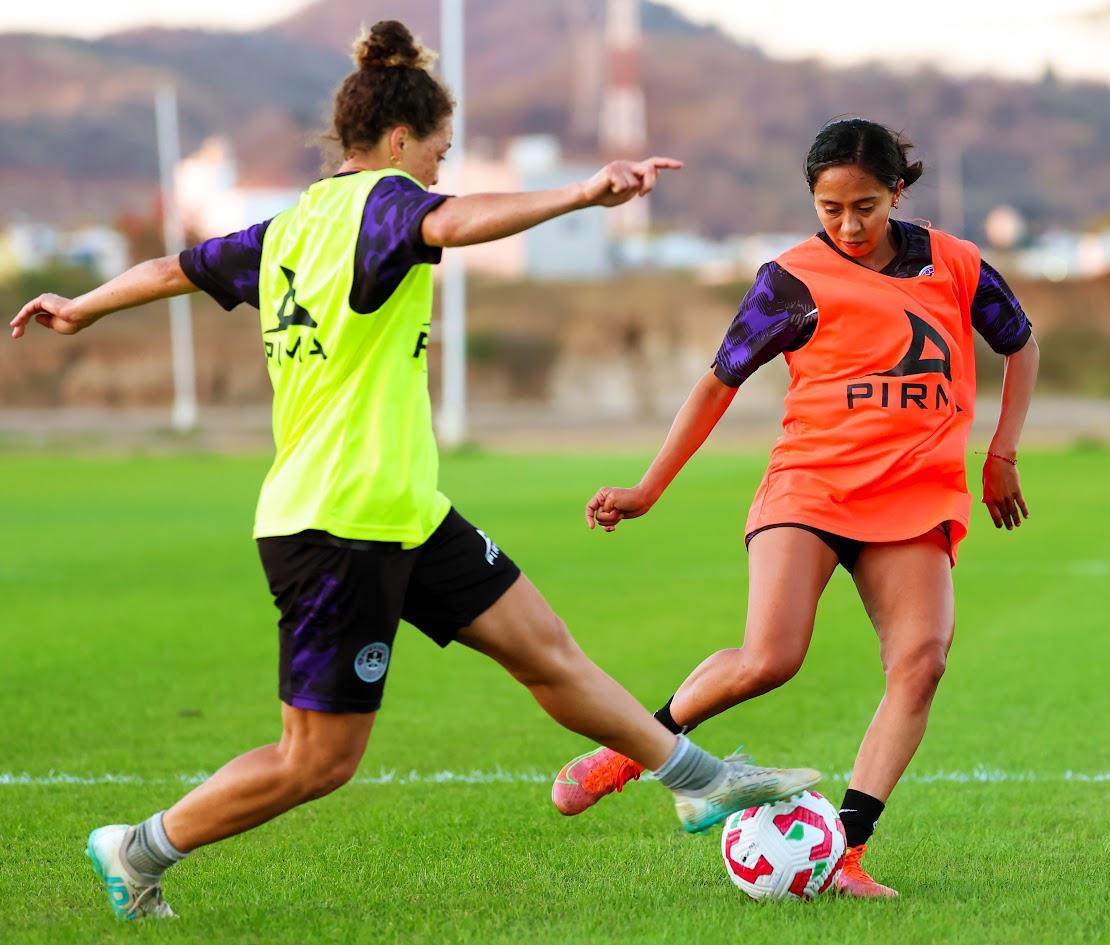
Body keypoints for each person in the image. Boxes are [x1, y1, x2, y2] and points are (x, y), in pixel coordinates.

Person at [10, 21, 821, 921]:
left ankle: (698, 779)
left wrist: (81, 306)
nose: (442, 164)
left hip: (402, 508)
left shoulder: (289, 225)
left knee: (544, 650)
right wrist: (581, 195)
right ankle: (138, 846)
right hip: (336, 526)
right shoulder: (386, 203)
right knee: (316, 760)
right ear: (400, 140)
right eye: (440, 148)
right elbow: (457, 219)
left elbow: (175, 265)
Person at [549, 118, 1040, 898]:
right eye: (829, 207)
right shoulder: (792, 278)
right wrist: (645, 489)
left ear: (897, 192)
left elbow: (1020, 345)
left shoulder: (956, 263)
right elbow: (717, 382)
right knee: (769, 658)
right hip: (810, 487)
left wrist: (1001, 453)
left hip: (914, 497)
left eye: (865, 207)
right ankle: (629, 751)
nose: (846, 225)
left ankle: (842, 853)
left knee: (920, 664)